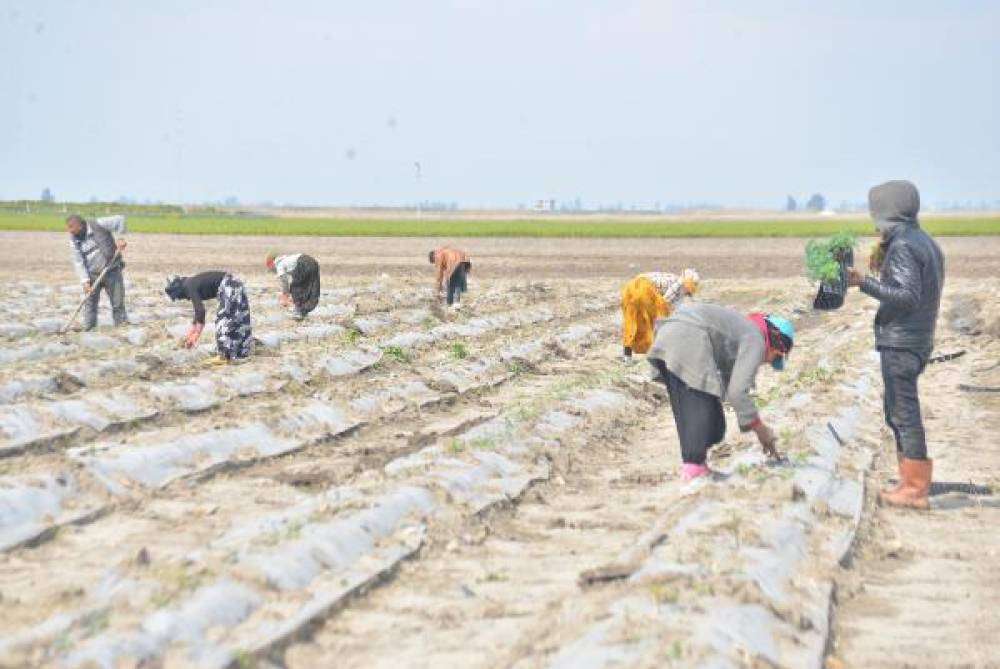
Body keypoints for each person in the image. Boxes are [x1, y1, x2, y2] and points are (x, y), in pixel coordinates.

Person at [847, 180, 944, 510]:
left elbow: (906, 296)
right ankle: (908, 480)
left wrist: (864, 283)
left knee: (903, 413)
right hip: (916, 339)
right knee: (897, 411)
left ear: (886, 211)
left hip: (902, 341)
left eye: (876, 212)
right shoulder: (922, 240)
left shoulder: (904, 245)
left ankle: (915, 489)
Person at [647, 303, 795, 481]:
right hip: (687, 339)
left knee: (714, 425)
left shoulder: (741, 329)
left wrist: (748, 418)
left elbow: (728, 382)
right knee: (701, 415)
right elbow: (737, 391)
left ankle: (695, 466)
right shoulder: (756, 339)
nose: (768, 362)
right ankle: (694, 471)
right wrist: (760, 429)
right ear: (775, 340)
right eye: (775, 358)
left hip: (666, 336)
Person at [164, 271, 253, 363]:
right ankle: (242, 352)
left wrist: (196, 335)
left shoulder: (188, 286)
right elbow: (197, 312)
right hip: (236, 283)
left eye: (178, 297)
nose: (182, 298)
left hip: (228, 285)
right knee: (239, 318)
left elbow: (200, 310)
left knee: (223, 320)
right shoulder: (191, 282)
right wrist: (191, 334)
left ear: (178, 289)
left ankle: (224, 356)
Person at [621, 269, 700, 361]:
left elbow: (672, 305)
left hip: (631, 288)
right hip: (643, 288)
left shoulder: (676, 280)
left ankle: (627, 357)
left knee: (632, 323)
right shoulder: (680, 284)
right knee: (653, 324)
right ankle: (657, 355)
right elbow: (665, 303)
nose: (689, 291)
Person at [66, 214, 128, 330]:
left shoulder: (98, 223)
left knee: (117, 302)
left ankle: (121, 328)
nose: (70, 231)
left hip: (111, 270)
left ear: (80, 225)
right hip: (92, 274)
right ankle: (88, 328)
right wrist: (85, 281)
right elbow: (78, 262)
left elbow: (120, 219)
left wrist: (120, 238)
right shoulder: (74, 240)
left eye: (71, 227)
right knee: (90, 305)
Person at [265, 252, 321, 318]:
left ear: (272, 265)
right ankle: (304, 310)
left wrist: (285, 295)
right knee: (312, 288)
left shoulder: (279, 264)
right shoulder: (286, 260)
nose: (273, 271)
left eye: (271, 269)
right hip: (313, 262)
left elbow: (284, 281)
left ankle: (299, 310)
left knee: (295, 288)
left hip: (302, 263)